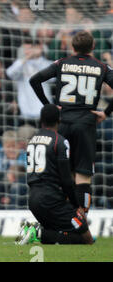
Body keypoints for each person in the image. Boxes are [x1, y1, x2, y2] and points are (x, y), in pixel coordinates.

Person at [29, 31, 113, 215]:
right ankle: (81, 223)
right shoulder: (101, 67)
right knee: (83, 175)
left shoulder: (62, 63)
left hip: (63, 123)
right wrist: (105, 113)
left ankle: (63, 222)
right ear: (93, 47)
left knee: (63, 175)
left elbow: (34, 80)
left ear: (72, 48)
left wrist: (49, 105)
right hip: (86, 124)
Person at [16, 104, 94, 245]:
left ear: (41, 120)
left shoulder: (32, 140)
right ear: (59, 120)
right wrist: (77, 206)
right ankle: (38, 232)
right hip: (51, 200)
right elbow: (66, 180)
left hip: (33, 198)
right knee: (86, 238)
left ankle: (39, 233)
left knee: (60, 234)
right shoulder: (60, 141)